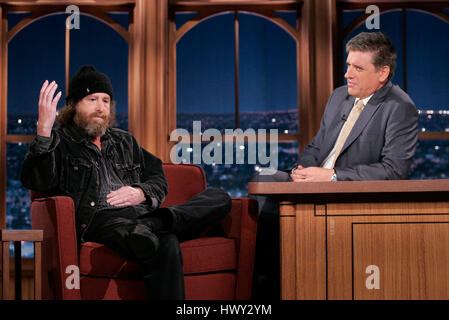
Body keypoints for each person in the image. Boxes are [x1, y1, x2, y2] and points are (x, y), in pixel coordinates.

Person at [21, 65, 232, 300]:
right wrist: (43, 130)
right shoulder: (59, 141)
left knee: (219, 198)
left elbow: (157, 177)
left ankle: (157, 223)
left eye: (106, 100)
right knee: (163, 239)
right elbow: (37, 180)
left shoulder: (125, 141)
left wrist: (141, 192)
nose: (101, 108)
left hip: (141, 218)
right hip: (100, 221)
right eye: (92, 99)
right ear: (74, 105)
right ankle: (158, 224)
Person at [251, 32, 419, 299]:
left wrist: (332, 177)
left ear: (382, 73)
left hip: (347, 193)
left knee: (270, 206)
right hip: (315, 184)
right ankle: (265, 282)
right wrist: (302, 171)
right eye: (348, 65)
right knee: (264, 179)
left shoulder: (399, 107)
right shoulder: (339, 96)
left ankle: (268, 288)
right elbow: (318, 147)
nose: (347, 74)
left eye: (358, 68)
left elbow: (394, 171)